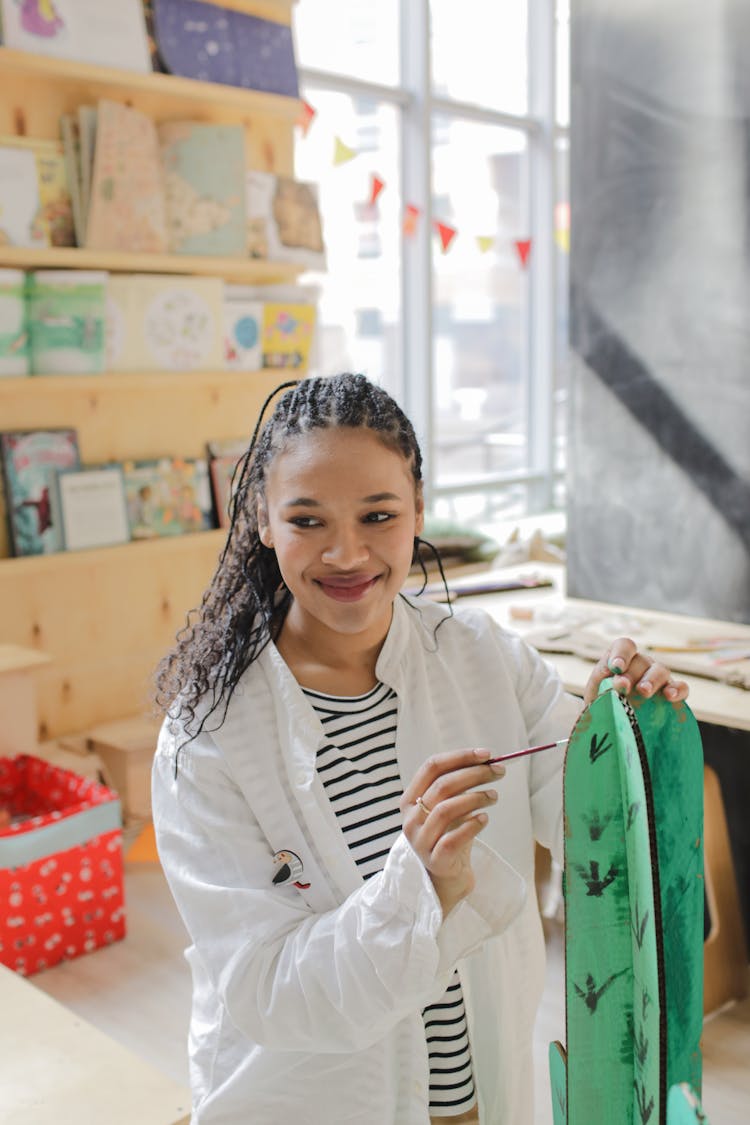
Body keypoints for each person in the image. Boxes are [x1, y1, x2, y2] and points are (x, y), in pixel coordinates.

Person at [152, 373, 688, 1125]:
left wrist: (620, 735)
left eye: (378, 514)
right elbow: (270, 989)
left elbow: (590, 821)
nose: (347, 553)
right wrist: (422, 884)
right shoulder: (208, 737)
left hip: (473, 1095)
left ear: (419, 513)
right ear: (264, 522)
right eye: (308, 520)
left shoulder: (481, 656)